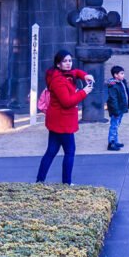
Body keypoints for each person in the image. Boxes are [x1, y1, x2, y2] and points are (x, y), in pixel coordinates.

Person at [36, 50, 93, 184]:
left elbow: (76, 72)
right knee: (69, 152)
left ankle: (40, 180)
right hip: (63, 121)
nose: (68, 64)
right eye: (65, 61)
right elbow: (67, 102)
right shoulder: (58, 80)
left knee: (51, 151)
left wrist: (85, 76)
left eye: (70, 61)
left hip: (57, 120)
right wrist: (84, 92)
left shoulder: (63, 74)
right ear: (58, 64)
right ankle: (66, 182)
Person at [105, 65, 129, 151]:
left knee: (116, 125)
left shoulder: (122, 82)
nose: (123, 75)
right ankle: (111, 143)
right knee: (114, 125)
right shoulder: (113, 86)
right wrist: (116, 111)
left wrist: (128, 104)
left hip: (120, 108)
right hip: (116, 110)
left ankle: (115, 141)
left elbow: (125, 94)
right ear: (115, 75)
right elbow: (113, 100)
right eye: (121, 73)